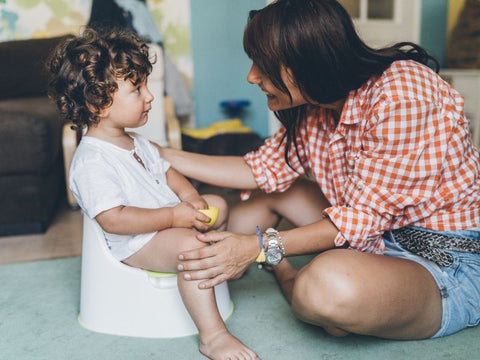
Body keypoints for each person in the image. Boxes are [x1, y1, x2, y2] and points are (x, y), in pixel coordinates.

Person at [160, 0, 480, 341]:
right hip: (376, 238)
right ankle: (230, 262)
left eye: (263, 64)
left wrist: (256, 248)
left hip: (446, 260)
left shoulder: (403, 93)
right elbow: (259, 169)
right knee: (268, 197)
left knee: (323, 291)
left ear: (308, 62)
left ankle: (287, 276)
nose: (251, 76)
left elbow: (361, 219)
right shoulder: (316, 106)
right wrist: (159, 154)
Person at [47, 28, 259, 360]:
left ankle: (219, 266)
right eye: (137, 89)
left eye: (146, 86)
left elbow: (169, 173)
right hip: (136, 242)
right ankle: (214, 336)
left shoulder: (137, 142)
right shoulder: (92, 160)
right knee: (192, 248)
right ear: (97, 103)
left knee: (217, 203)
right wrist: (175, 216)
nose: (149, 97)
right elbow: (114, 220)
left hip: (166, 224)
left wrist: (190, 198)